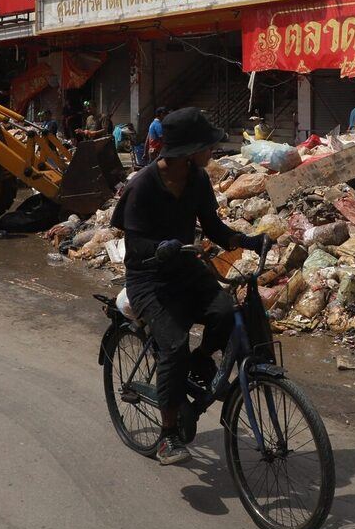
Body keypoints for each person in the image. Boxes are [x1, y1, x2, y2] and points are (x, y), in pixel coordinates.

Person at [111, 108, 265, 466]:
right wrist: (159, 248)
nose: (212, 151)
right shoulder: (143, 185)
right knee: (174, 346)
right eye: (207, 146)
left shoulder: (197, 178)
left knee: (226, 312)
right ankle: (168, 436)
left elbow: (212, 226)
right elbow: (134, 245)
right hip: (148, 278)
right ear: (188, 150)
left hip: (186, 268)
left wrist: (246, 240)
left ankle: (200, 361)